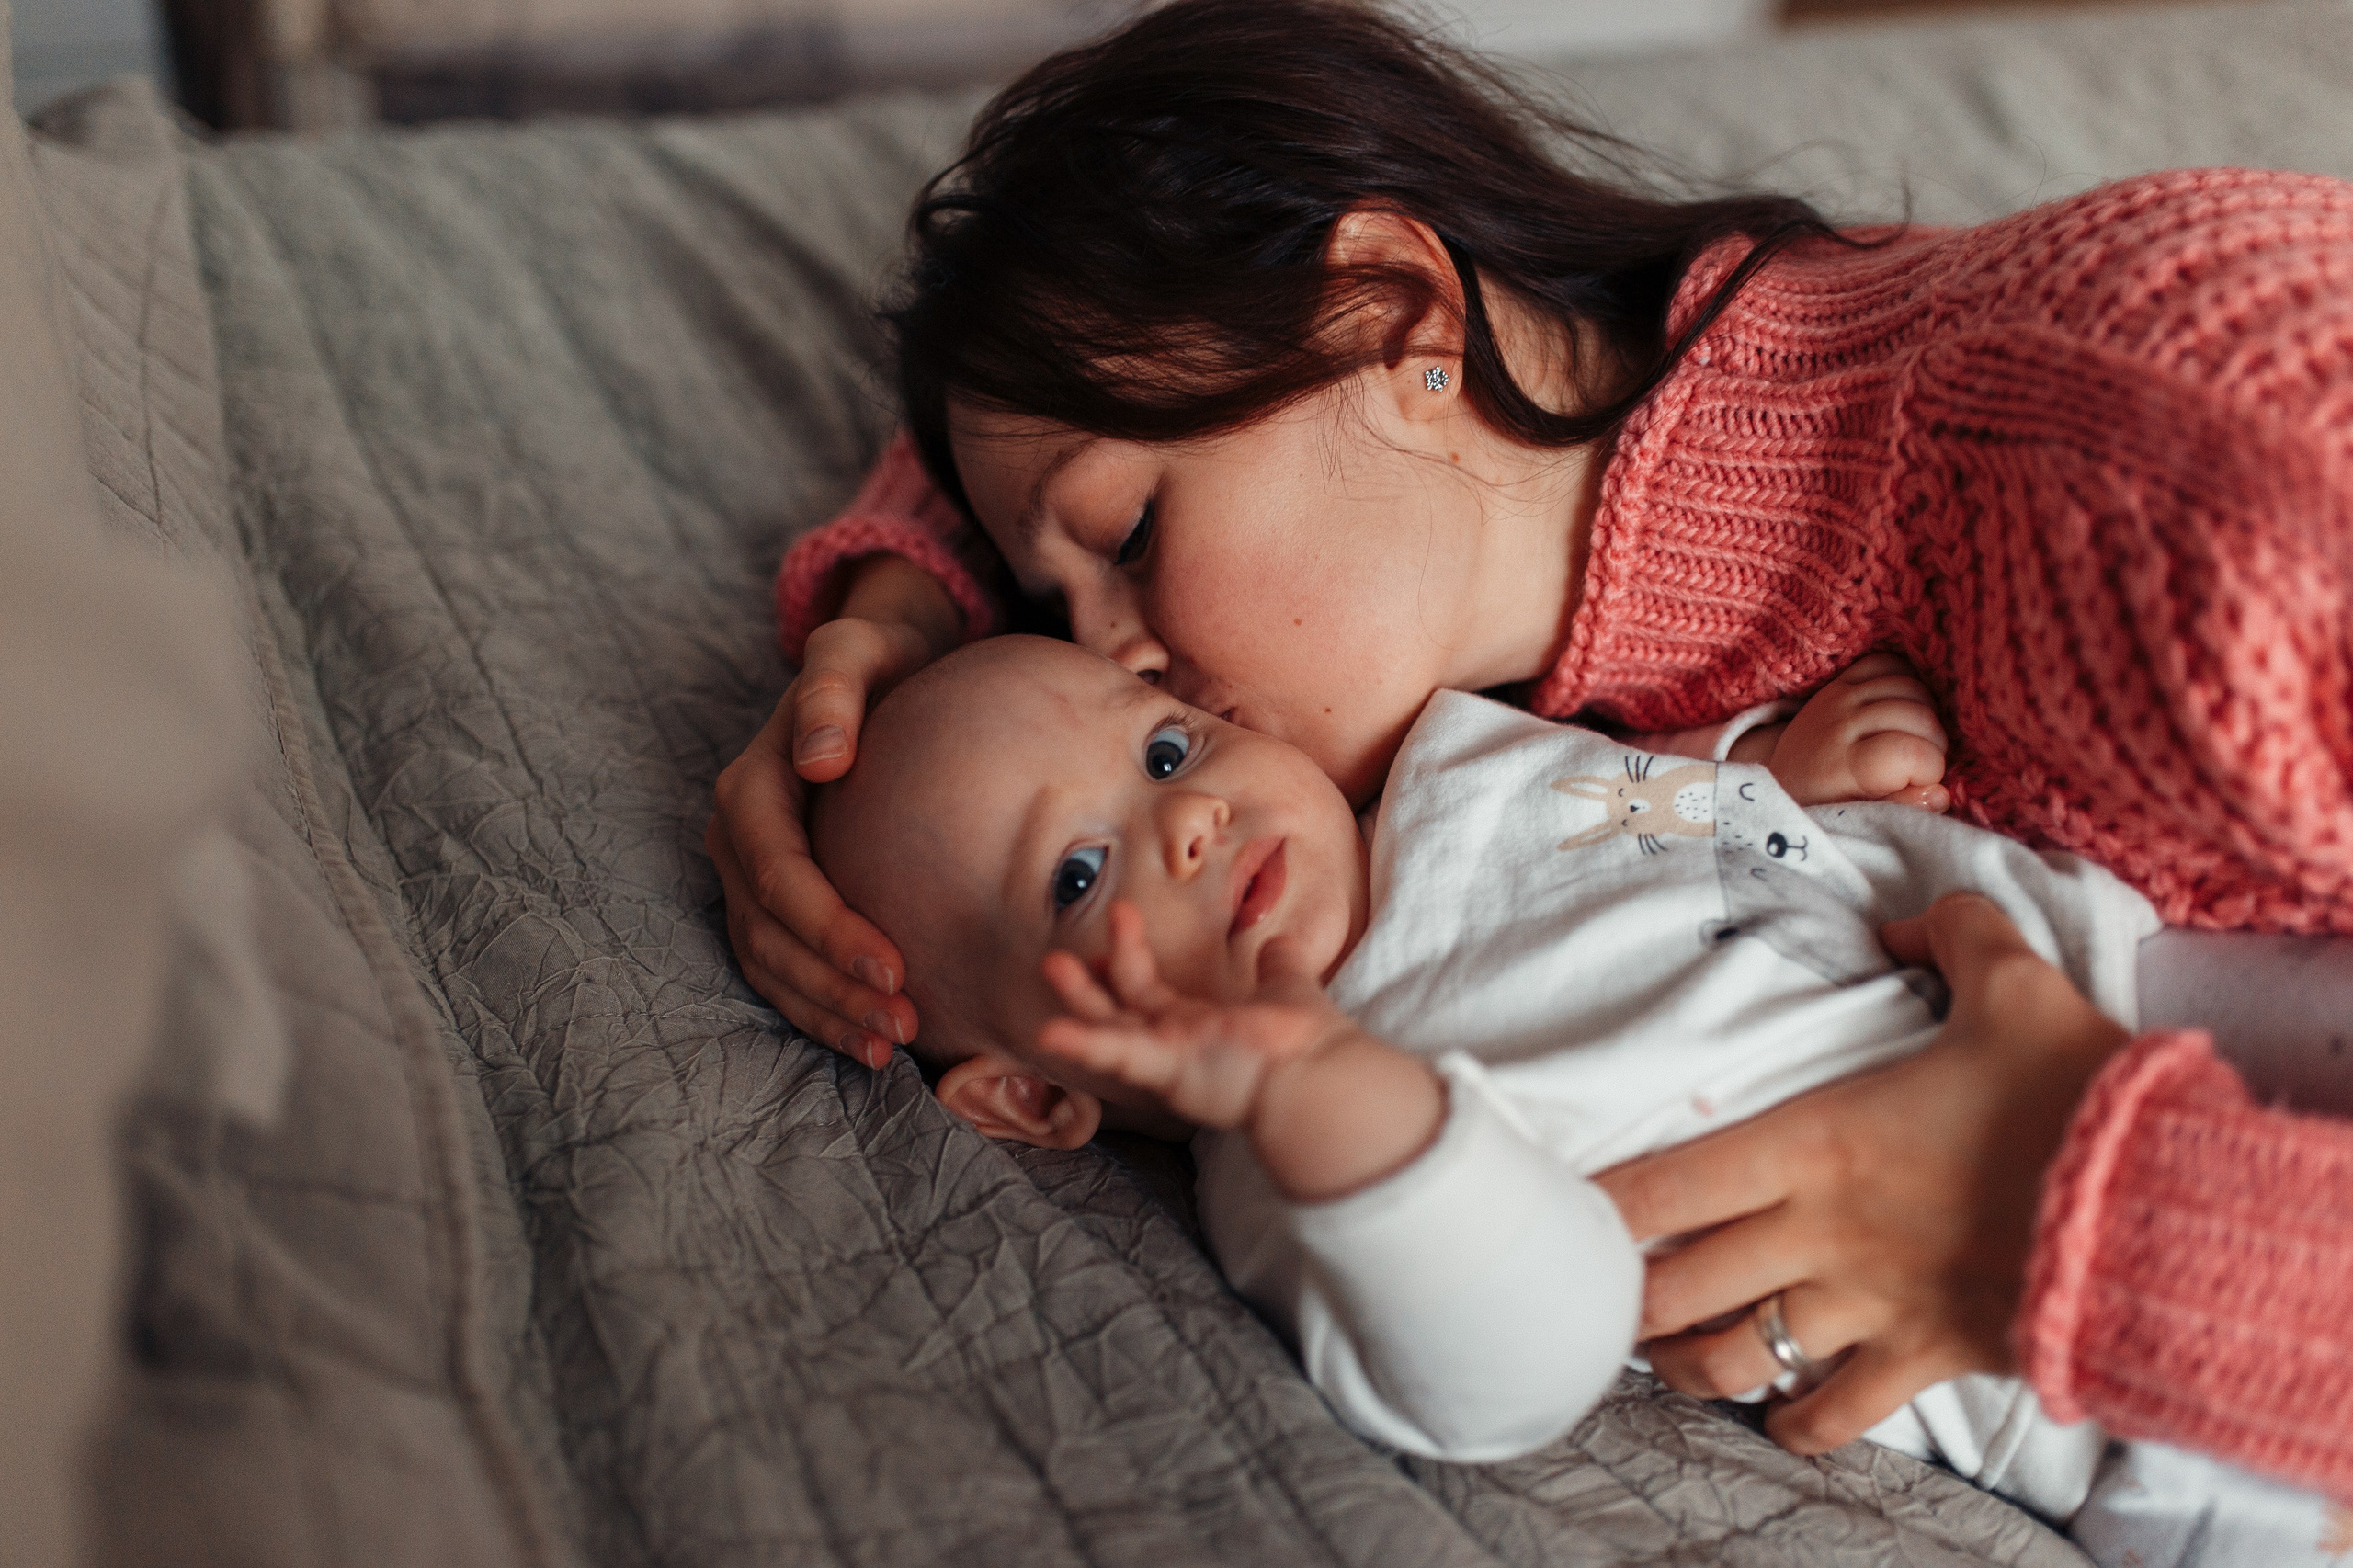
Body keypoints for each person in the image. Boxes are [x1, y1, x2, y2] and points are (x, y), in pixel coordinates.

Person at [707, 0, 2353, 1500]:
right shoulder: (1501, 630)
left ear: (1397, 311)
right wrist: (892, 611)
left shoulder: (2195, 492)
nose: (1107, 659)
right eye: (1049, 610)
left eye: (1128, 538)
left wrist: (2090, 1219)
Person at [807, 631, 2347, 1564]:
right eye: (1080, 874)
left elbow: (1635, 799)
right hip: (2079, 1373)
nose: (1192, 818)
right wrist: (1316, 1090)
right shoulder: (1308, 1161)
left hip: (2113, 979)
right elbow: (1521, 1347)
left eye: (1163, 750)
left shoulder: (1443, 764)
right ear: (1033, 1094)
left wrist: (1768, 766)